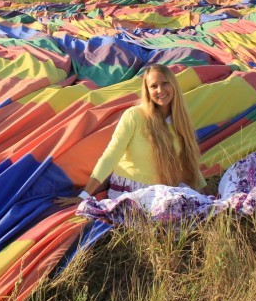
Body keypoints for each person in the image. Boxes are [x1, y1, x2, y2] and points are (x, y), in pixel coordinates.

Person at [55, 64, 209, 206]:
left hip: (164, 188)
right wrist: (83, 196)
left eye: (165, 83)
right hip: (133, 191)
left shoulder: (180, 119)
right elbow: (111, 155)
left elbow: (189, 161)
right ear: (147, 91)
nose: (160, 90)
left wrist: (207, 193)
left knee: (200, 206)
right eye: (153, 86)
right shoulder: (134, 116)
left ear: (174, 85)